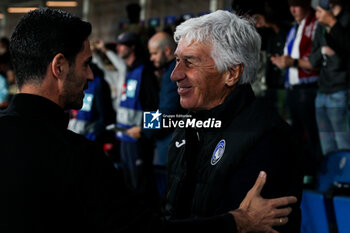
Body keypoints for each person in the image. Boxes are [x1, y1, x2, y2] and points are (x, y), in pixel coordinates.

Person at [0, 8, 298, 233]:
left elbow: (162, 112)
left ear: (232, 72)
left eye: (187, 61)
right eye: (169, 57)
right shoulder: (81, 150)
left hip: (142, 143)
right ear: (59, 66)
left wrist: (144, 128)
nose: (172, 70)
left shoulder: (146, 76)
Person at [166, 10, 303, 233]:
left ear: (231, 73)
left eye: (190, 62)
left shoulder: (269, 140)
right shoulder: (188, 126)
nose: (175, 74)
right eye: (177, 60)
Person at [270, 0, 322, 184]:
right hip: (292, 89)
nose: (293, 9)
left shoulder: (315, 23)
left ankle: (316, 174)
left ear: (307, 5)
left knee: (311, 135)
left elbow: (317, 60)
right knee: (296, 136)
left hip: (309, 89)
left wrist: (291, 62)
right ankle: (303, 172)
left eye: (297, 5)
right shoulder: (295, 28)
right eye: (290, 5)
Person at [127, 31, 184, 196]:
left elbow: (167, 113)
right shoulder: (170, 72)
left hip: (169, 152)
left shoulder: (172, 75)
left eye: (154, 53)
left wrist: (142, 129)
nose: (151, 58)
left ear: (167, 51)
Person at [114, 31, 159, 199]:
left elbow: (154, 107)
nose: (118, 48)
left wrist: (146, 132)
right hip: (124, 138)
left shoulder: (144, 72)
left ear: (132, 47)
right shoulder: (130, 71)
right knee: (128, 186)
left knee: (141, 188)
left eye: (122, 44)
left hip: (139, 140)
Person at [308, 0, 350, 155]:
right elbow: (313, 59)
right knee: (326, 144)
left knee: (343, 141)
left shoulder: (345, 19)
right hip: (322, 90)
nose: (317, 15)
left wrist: (332, 23)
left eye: (319, 11)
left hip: (341, 90)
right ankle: (332, 177)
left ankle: (345, 178)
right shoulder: (320, 24)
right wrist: (323, 51)